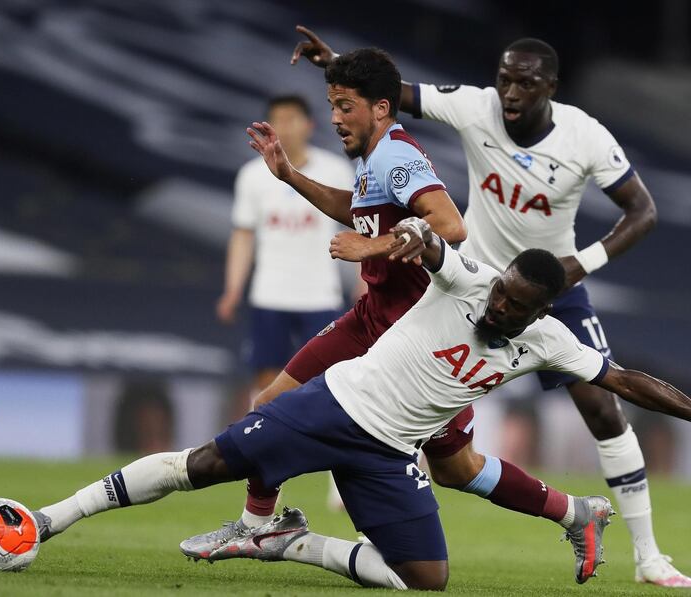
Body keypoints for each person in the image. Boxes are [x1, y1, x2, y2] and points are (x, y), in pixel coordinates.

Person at [31, 223, 691, 591]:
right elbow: (432, 246)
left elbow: (627, 380)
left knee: (425, 580)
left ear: (539, 311)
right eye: (500, 293)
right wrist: (401, 239)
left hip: (388, 452)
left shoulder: (551, 341)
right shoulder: (471, 282)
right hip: (334, 405)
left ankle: (290, 541)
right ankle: (48, 519)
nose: (497, 305)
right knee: (198, 464)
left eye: (514, 305)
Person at [290, 27, 690, 588]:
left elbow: (642, 211)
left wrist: (581, 263)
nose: (510, 92)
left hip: (554, 286)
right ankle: (378, 515)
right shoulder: (475, 106)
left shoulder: (586, 136)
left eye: (525, 83)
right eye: (505, 79)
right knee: (419, 408)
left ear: (550, 87)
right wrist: (333, 64)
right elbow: (392, 94)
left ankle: (649, 556)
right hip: (475, 283)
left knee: (602, 408)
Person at [194, 48, 467, 536]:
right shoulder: (371, 156)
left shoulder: (397, 154)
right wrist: (290, 177)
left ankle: (568, 511)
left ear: (381, 108)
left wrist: (373, 246)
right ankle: (254, 527)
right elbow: (355, 208)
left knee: (458, 468)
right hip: (369, 316)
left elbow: (449, 225)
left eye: (345, 106)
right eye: (332, 106)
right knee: (268, 405)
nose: (335, 118)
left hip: (413, 330)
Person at [218, 95, 356, 395]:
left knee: (324, 379)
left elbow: (360, 228)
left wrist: (365, 283)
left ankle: (315, 440)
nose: (286, 127)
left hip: (320, 295)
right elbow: (243, 236)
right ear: (268, 127)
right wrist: (232, 289)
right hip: (270, 294)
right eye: (278, 120)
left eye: (293, 119)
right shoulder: (252, 176)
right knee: (266, 378)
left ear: (309, 125)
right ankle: (266, 438)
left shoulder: (335, 170)